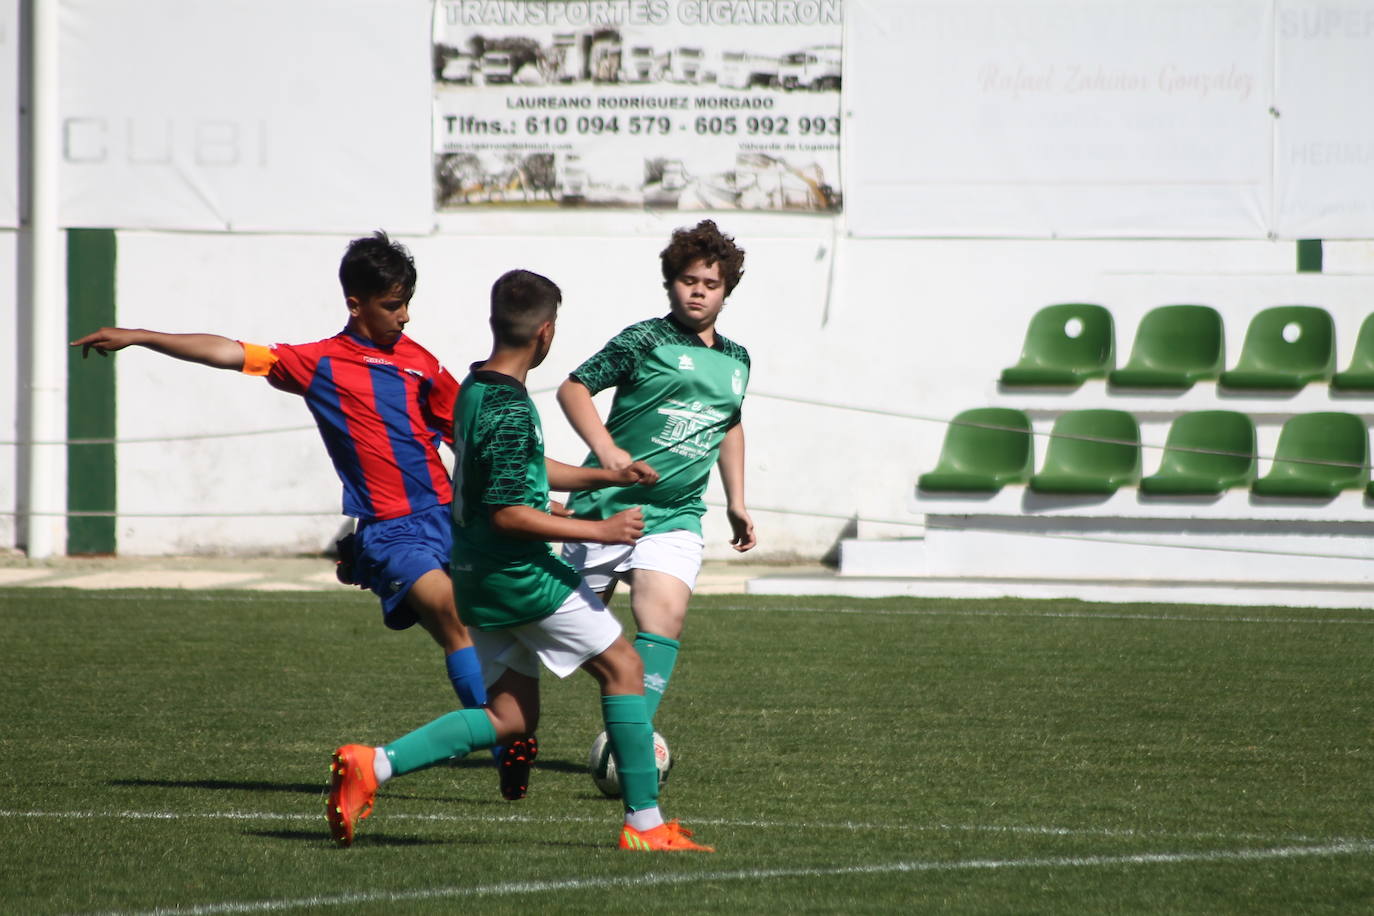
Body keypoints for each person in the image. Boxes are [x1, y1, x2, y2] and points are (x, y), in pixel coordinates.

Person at [70, 232, 536, 800]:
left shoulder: (421, 364)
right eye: (393, 305)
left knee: (491, 627)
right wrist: (142, 336)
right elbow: (230, 351)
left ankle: (502, 732)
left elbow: (469, 438)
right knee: (452, 619)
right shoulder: (319, 363)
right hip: (394, 531)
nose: (405, 317)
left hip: (448, 515)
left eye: (408, 302)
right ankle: (503, 747)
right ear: (355, 302)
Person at [326, 268, 714, 852]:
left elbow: (524, 467)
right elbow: (509, 510)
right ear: (547, 333)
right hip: (520, 577)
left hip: (476, 576)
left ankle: (371, 766)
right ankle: (645, 825)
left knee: (510, 717)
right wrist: (599, 528)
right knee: (625, 668)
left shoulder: (476, 388)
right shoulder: (509, 408)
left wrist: (604, 473)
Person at [555, 219, 756, 746]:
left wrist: (736, 500)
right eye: (689, 280)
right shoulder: (645, 338)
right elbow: (575, 388)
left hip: (676, 514)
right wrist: (607, 451)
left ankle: (631, 741)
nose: (699, 291)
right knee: (558, 636)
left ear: (726, 291)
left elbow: (728, 422)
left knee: (665, 616)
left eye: (711, 284)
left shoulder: (737, 359)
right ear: (671, 283)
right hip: (603, 509)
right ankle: (499, 721)